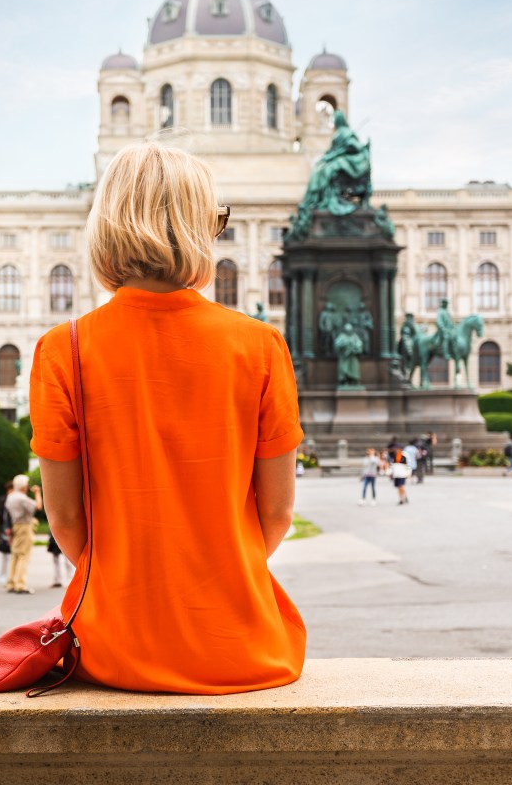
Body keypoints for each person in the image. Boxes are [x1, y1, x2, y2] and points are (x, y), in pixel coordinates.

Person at [31, 140, 305, 695]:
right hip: (246, 649)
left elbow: (64, 521)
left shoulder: (63, 350)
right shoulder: (261, 346)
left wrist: (136, 584)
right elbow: (275, 516)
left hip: (115, 649)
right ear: (199, 227)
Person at [4, 474, 42, 594]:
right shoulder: (21, 498)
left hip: (15, 525)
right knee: (24, 555)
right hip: (25, 526)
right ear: (23, 486)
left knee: (15, 555)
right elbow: (38, 506)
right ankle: (20, 584)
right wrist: (37, 492)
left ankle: (11, 582)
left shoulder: (10, 497)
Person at [0, 481, 14, 587]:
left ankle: (10, 576)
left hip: (13, 529)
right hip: (3, 529)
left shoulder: (15, 499)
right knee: (4, 553)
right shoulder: (3, 500)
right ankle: (2, 576)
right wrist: (6, 526)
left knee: (12, 555)